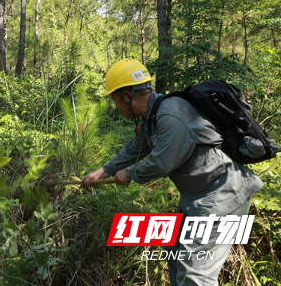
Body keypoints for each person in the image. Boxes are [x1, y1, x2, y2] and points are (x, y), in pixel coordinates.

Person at [82, 58, 263, 286]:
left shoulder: (170, 114)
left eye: (114, 99)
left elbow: (162, 162)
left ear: (127, 95)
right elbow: (136, 147)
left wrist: (129, 173)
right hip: (200, 199)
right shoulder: (154, 116)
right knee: (175, 250)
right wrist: (101, 173)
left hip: (223, 198)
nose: (115, 106)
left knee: (196, 275)